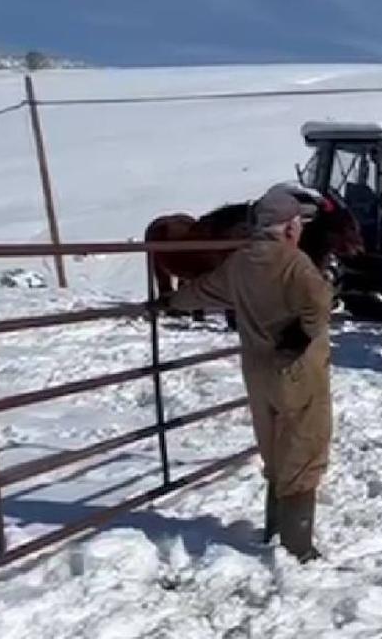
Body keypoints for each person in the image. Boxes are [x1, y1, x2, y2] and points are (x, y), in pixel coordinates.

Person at [155, 182, 335, 562]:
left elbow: (202, 292)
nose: (299, 230)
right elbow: (319, 304)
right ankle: (297, 547)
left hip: (257, 373)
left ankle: (274, 528)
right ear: (287, 227)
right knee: (303, 450)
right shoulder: (294, 263)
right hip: (297, 371)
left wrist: (170, 301)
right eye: (297, 224)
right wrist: (301, 333)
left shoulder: (239, 263)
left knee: (273, 449)